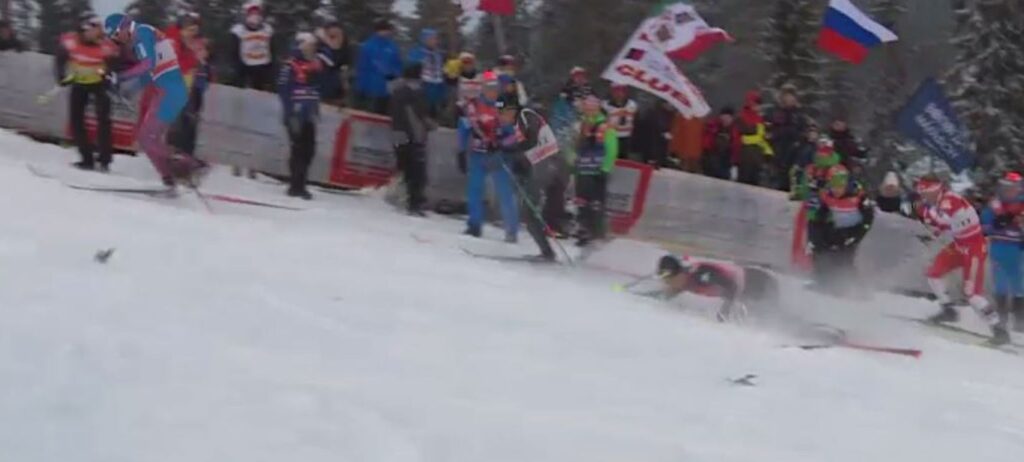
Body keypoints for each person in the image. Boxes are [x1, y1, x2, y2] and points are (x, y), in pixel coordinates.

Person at [103, 13, 206, 189]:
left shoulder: (141, 34)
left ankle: (189, 166)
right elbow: (148, 74)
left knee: (147, 138)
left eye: (116, 34)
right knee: (148, 138)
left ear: (123, 27)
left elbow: (148, 65)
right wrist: (126, 89)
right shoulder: (144, 35)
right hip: (166, 91)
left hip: (169, 92)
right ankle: (170, 177)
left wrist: (120, 78)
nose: (117, 39)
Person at [913, 174, 1007, 345]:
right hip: (958, 245)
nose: (923, 195)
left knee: (972, 294)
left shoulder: (949, 200)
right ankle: (948, 310)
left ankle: (999, 330)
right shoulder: (932, 205)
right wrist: (929, 232)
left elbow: (948, 220)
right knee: (933, 273)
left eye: (925, 191)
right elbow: (940, 228)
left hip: (974, 248)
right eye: (921, 192)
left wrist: (929, 217)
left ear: (934, 189)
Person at [496, 97, 563, 261]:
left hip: (548, 163)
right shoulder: (518, 123)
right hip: (541, 164)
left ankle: (548, 252)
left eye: (502, 113)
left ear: (511, 110)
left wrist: (509, 149)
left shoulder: (525, 114)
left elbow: (531, 140)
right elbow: (525, 149)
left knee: (528, 210)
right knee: (528, 212)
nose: (500, 118)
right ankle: (546, 251)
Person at [56, 13, 118, 171]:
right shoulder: (70, 42)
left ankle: (105, 159)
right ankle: (87, 158)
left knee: (104, 118)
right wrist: (61, 76)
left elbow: (115, 64)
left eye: (100, 30)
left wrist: (108, 76)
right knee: (76, 120)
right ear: (84, 29)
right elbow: (60, 60)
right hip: (79, 82)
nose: (98, 34)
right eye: (94, 30)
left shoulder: (106, 45)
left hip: (99, 84)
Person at [462, 73, 519, 241]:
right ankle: (474, 225)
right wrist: (460, 149)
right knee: (475, 190)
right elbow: (464, 127)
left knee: (504, 192)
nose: (491, 92)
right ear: (482, 88)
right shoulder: (474, 105)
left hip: (498, 156)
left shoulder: (504, 105)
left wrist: (504, 143)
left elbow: (514, 133)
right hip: (478, 154)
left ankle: (511, 230)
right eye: (488, 88)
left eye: (494, 89)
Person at [805, 165, 875, 294]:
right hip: (837, 227)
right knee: (820, 251)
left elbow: (868, 218)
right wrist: (815, 233)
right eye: (833, 186)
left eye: (840, 186)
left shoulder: (859, 196)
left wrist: (856, 236)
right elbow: (820, 213)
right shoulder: (827, 195)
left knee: (843, 259)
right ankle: (822, 282)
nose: (836, 190)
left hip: (853, 230)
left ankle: (857, 289)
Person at [656, 255, 780, 322]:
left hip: (758, 282)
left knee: (776, 315)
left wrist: (724, 313)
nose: (667, 284)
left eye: (668, 279)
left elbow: (732, 286)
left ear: (678, 273)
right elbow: (666, 294)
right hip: (747, 287)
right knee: (767, 316)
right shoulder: (684, 281)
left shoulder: (700, 276)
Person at [277, 32, 323, 200]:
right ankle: (295, 186)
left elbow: (318, 88)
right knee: (298, 150)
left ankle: (301, 183)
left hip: (309, 113)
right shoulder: (290, 66)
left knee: (309, 150)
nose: (312, 48)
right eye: (309, 45)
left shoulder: (315, 65)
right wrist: (290, 113)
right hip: (296, 114)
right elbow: (283, 90)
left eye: (313, 46)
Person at [981, 172, 1024, 333]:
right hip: (999, 248)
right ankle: (1001, 321)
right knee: (1001, 285)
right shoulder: (995, 205)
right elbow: (984, 227)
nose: (1010, 191)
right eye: (1006, 188)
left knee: (1020, 285)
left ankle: (1020, 322)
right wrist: (995, 225)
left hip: (1019, 251)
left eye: (1013, 188)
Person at [574, 95, 619, 247]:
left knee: (596, 203)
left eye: (592, 108)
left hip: (597, 170)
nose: (589, 111)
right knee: (582, 201)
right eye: (587, 108)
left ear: (598, 108)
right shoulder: (582, 124)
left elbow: (612, 148)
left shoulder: (605, 125)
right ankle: (583, 229)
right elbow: (575, 145)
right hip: (582, 169)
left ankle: (597, 232)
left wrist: (606, 168)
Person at [165, 11, 210, 158]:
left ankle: (187, 152)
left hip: (196, 85)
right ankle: (173, 147)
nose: (192, 30)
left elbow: (206, 65)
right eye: (189, 27)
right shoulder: (175, 41)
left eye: (195, 27)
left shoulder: (202, 43)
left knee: (191, 118)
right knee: (177, 116)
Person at [389, 63, 432, 215]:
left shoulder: (396, 91)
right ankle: (414, 202)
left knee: (404, 166)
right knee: (416, 170)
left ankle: (402, 196)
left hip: (398, 133)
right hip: (412, 135)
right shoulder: (414, 92)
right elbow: (416, 116)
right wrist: (424, 128)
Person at [355, 19, 403, 115]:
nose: (388, 32)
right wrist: (361, 86)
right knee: (371, 113)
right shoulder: (368, 46)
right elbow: (362, 67)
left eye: (388, 30)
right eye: (385, 30)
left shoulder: (392, 46)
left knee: (384, 114)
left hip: (388, 88)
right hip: (371, 87)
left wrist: (396, 75)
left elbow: (398, 63)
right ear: (378, 31)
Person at [766, 85, 807, 191]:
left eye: (792, 97)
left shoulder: (799, 115)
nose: (789, 100)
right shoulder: (774, 112)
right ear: (782, 98)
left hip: (793, 152)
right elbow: (768, 130)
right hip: (776, 151)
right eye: (787, 97)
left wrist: (797, 136)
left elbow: (804, 133)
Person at [229, 1, 274, 91]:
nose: (255, 16)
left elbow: (272, 49)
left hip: (263, 64)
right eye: (252, 13)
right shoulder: (239, 30)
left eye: (257, 13)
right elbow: (234, 51)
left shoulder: (267, 30)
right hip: (244, 64)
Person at [737, 90, 773, 186]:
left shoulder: (760, 119)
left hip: (757, 158)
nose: (758, 107)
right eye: (756, 104)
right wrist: (758, 139)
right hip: (746, 158)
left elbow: (762, 138)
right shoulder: (742, 117)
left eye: (758, 104)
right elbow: (741, 138)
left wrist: (768, 151)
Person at [407, 29, 446, 116]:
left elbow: (440, 71)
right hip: (423, 86)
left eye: (435, 39)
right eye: (431, 39)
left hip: (436, 86)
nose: (435, 41)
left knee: (433, 112)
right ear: (425, 40)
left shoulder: (438, 54)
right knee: (422, 112)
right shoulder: (417, 52)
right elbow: (411, 69)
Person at [314, 20, 351, 107]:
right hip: (320, 93)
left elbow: (345, 71)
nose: (337, 39)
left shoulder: (346, 51)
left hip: (337, 95)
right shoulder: (320, 50)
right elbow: (331, 62)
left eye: (340, 35)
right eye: (332, 36)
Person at [701, 107, 740, 180]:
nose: (726, 120)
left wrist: (735, 163)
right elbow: (706, 142)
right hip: (712, 161)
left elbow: (736, 147)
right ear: (720, 117)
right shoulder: (713, 126)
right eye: (724, 117)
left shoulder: (734, 130)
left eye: (728, 118)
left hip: (726, 163)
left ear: (732, 118)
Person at [601, 84, 638, 161]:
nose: (619, 94)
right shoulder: (605, 105)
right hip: (611, 136)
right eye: (616, 92)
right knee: (610, 157)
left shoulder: (632, 105)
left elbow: (637, 120)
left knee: (623, 159)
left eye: (622, 91)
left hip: (626, 137)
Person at [632, 100, 674, 166]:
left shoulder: (669, 114)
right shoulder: (655, 113)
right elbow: (657, 129)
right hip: (652, 145)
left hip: (657, 146)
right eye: (670, 104)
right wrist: (665, 134)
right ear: (663, 104)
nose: (672, 106)